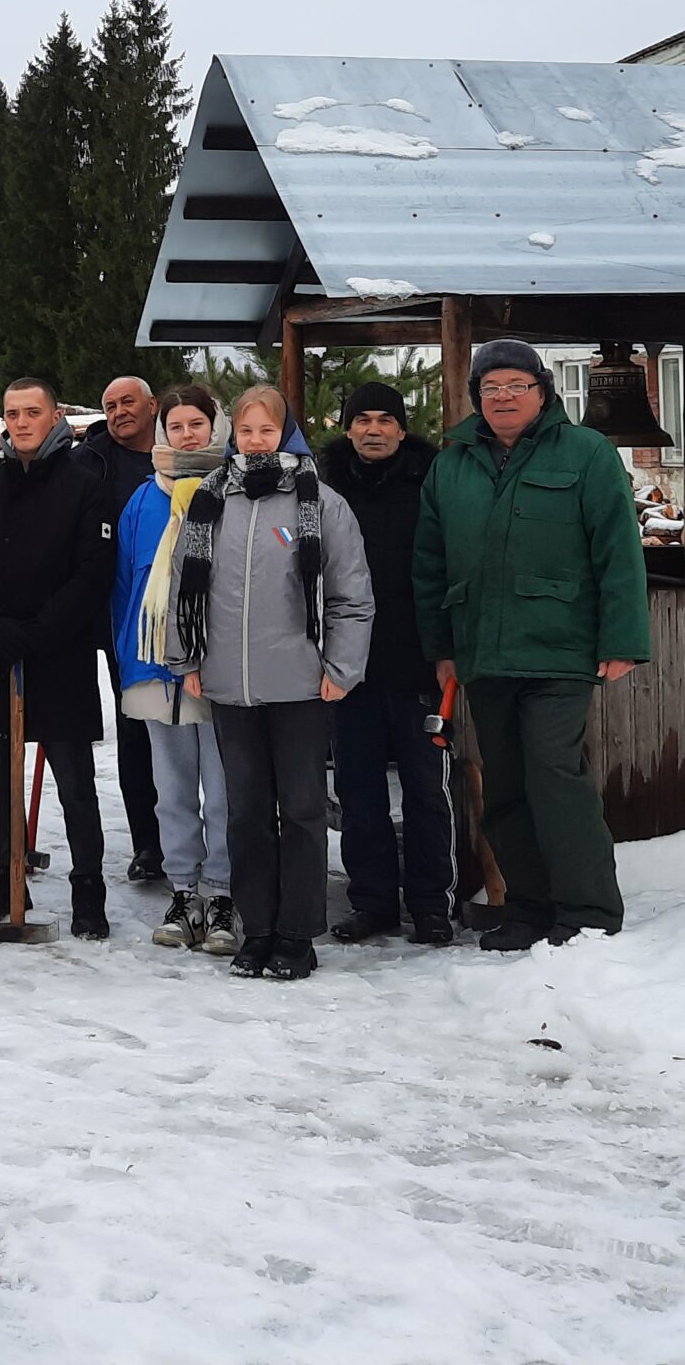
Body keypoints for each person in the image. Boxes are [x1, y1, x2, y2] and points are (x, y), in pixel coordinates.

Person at [416, 339, 649, 952]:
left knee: (555, 775)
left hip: (559, 649)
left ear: (542, 392)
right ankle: (527, 908)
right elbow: (430, 564)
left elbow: (618, 551)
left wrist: (622, 639)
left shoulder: (586, 453)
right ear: (477, 399)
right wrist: (443, 647)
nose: (503, 398)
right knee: (506, 785)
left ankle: (590, 910)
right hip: (483, 653)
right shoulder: (454, 462)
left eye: (516, 385)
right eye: (490, 389)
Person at [167, 384, 373, 983]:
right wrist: (190, 660)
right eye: (246, 431)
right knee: (246, 811)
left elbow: (351, 597)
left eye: (267, 430)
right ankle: (257, 929)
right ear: (234, 434)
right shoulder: (211, 500)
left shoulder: (320, 503)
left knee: (304, 811)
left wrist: (340, 670)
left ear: (284, 434)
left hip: (302, 686)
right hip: (231, 685)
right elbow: (187, 588)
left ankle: (296, 933)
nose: (255, 441)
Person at [0, 377, 118, 938]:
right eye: (11, 413)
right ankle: (7, 879)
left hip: (59, 651)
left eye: (31, 412)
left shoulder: (84, 484)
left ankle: (87, 889)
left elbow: (94, 569)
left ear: (54, 417)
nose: (20, 422)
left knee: (73, 778)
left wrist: (45, 630)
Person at [317, 380, 458, 947]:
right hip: (349, 668)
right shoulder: (324, 489)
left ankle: (430, 904)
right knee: (358, 789)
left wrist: (448, 651)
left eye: (385, 420)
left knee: (427, 790)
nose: (373, 430)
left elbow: (449, 567)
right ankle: (372, 900)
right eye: (362, 420)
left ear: (402, 428)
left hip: (419, 662)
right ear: (347, 428)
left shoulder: (431, 484)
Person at [108, 382, 238, 955]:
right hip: (154, 665)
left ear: (218, 428)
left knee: (226, 786)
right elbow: (125, 585)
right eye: (178, 426)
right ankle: (184, 890)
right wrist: (126, 653)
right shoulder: (144, 499)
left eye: (198, 424)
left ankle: (225, 892)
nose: (188, 435)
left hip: (220, 666)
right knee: (172, 788)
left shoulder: (236, 490)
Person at [79, 374, 166, 884]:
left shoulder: (183, 450)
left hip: (183, 610)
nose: (118, 413)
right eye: (109, 405)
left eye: (127, 402)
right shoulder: (90, 459)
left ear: (152, 405)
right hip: (116, 614)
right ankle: (148, 843)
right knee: (135, 727)